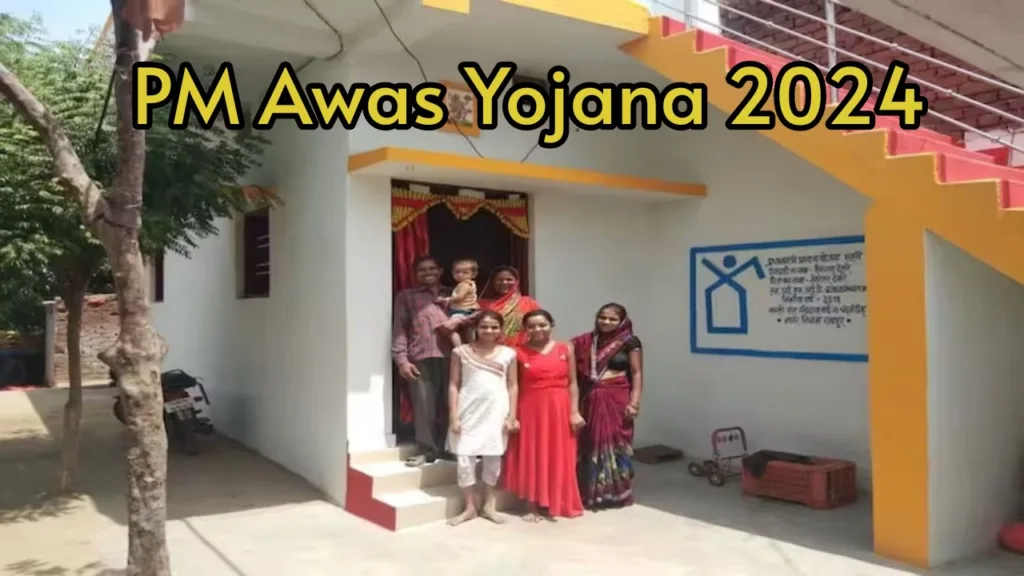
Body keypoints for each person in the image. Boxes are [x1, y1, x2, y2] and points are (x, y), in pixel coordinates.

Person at [504, 309, 585, 522]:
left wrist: (574, 411)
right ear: (525, 329)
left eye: (542, 324)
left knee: (560, 454)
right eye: (531, 326)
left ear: (551, 325)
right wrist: (512, 415)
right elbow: (513, 385)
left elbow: (573, 383)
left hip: (560, 408)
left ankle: (557, 501)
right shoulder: (517, 352)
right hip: (530, 409)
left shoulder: (565, 348)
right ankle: (531, 504)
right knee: (532, 454)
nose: (537, 329)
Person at [447, 310, 519, 526]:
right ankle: (469, 507)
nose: (489, 331)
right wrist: (453, 416)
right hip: (467, 410)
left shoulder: (508, 354)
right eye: (484, 326)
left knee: (493, 457)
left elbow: (513, 385)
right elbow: (454, 385)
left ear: (501, 329)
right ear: (475, 328)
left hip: (496, 411)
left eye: (494, 327)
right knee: (464, 458)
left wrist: (512, 416)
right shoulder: (461, 352)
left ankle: (489, 505)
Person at [571, 303, 644, 509]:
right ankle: (591, 493)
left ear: (621, 321)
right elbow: (565, 351)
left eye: (612, 319)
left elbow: (636, 373)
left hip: (617, 398)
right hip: (592, 397)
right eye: (602, 317)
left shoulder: (629, 342)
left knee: (616, 442)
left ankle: (617, 493)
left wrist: (634, 403)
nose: (606, 322)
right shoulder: (587, 341)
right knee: (591, 441)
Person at [392, 255, 452, 467]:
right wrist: (402, 360)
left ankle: (448, 448)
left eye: (432, 268)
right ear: (415, 274)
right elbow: (400, 329)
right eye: (422, 270)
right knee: (424, 406)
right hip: (421, 356)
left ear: (440, 271)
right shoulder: (407, 296)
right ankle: (427, 451)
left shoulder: (453, 294)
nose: (428, 273)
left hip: (453, 357)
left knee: (452, 404)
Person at [477, 266, 540, 347]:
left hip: (523, 350)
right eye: (499, 280)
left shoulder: (528, 302)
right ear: (492, 282)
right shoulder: (481, 304)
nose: (504, 282)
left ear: (516, 282)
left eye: (509, 279)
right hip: (490, 350)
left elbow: (538, 325)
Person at [437, 258, 481, 347]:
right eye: (457, 272)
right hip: (468, 310)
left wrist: (445, 299)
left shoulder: (465, 285)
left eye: (465, 273)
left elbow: (459, 297)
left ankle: (459, 348)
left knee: (450, 329)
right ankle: (472, 346)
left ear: (474, 274)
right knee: (469, 330)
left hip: (461, 311)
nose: (460, 275)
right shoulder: (469, 284)